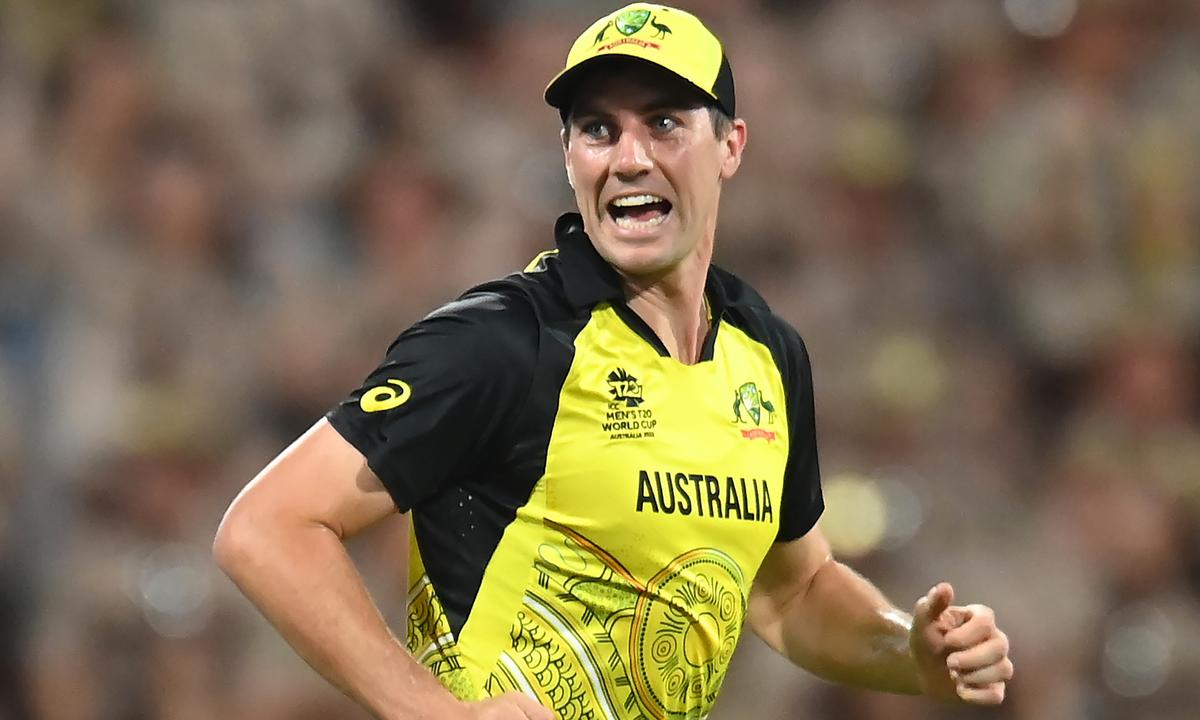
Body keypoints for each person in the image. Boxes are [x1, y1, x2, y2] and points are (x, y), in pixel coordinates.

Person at [213, 4, 1014, 718]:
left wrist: (910, 651)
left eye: (664, 122)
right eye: (598, 129)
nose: (629, 157)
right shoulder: (504, 342)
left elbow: (792, 591)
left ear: (731, 146)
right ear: (570, 157)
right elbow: (267, 527)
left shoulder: (768, 354)